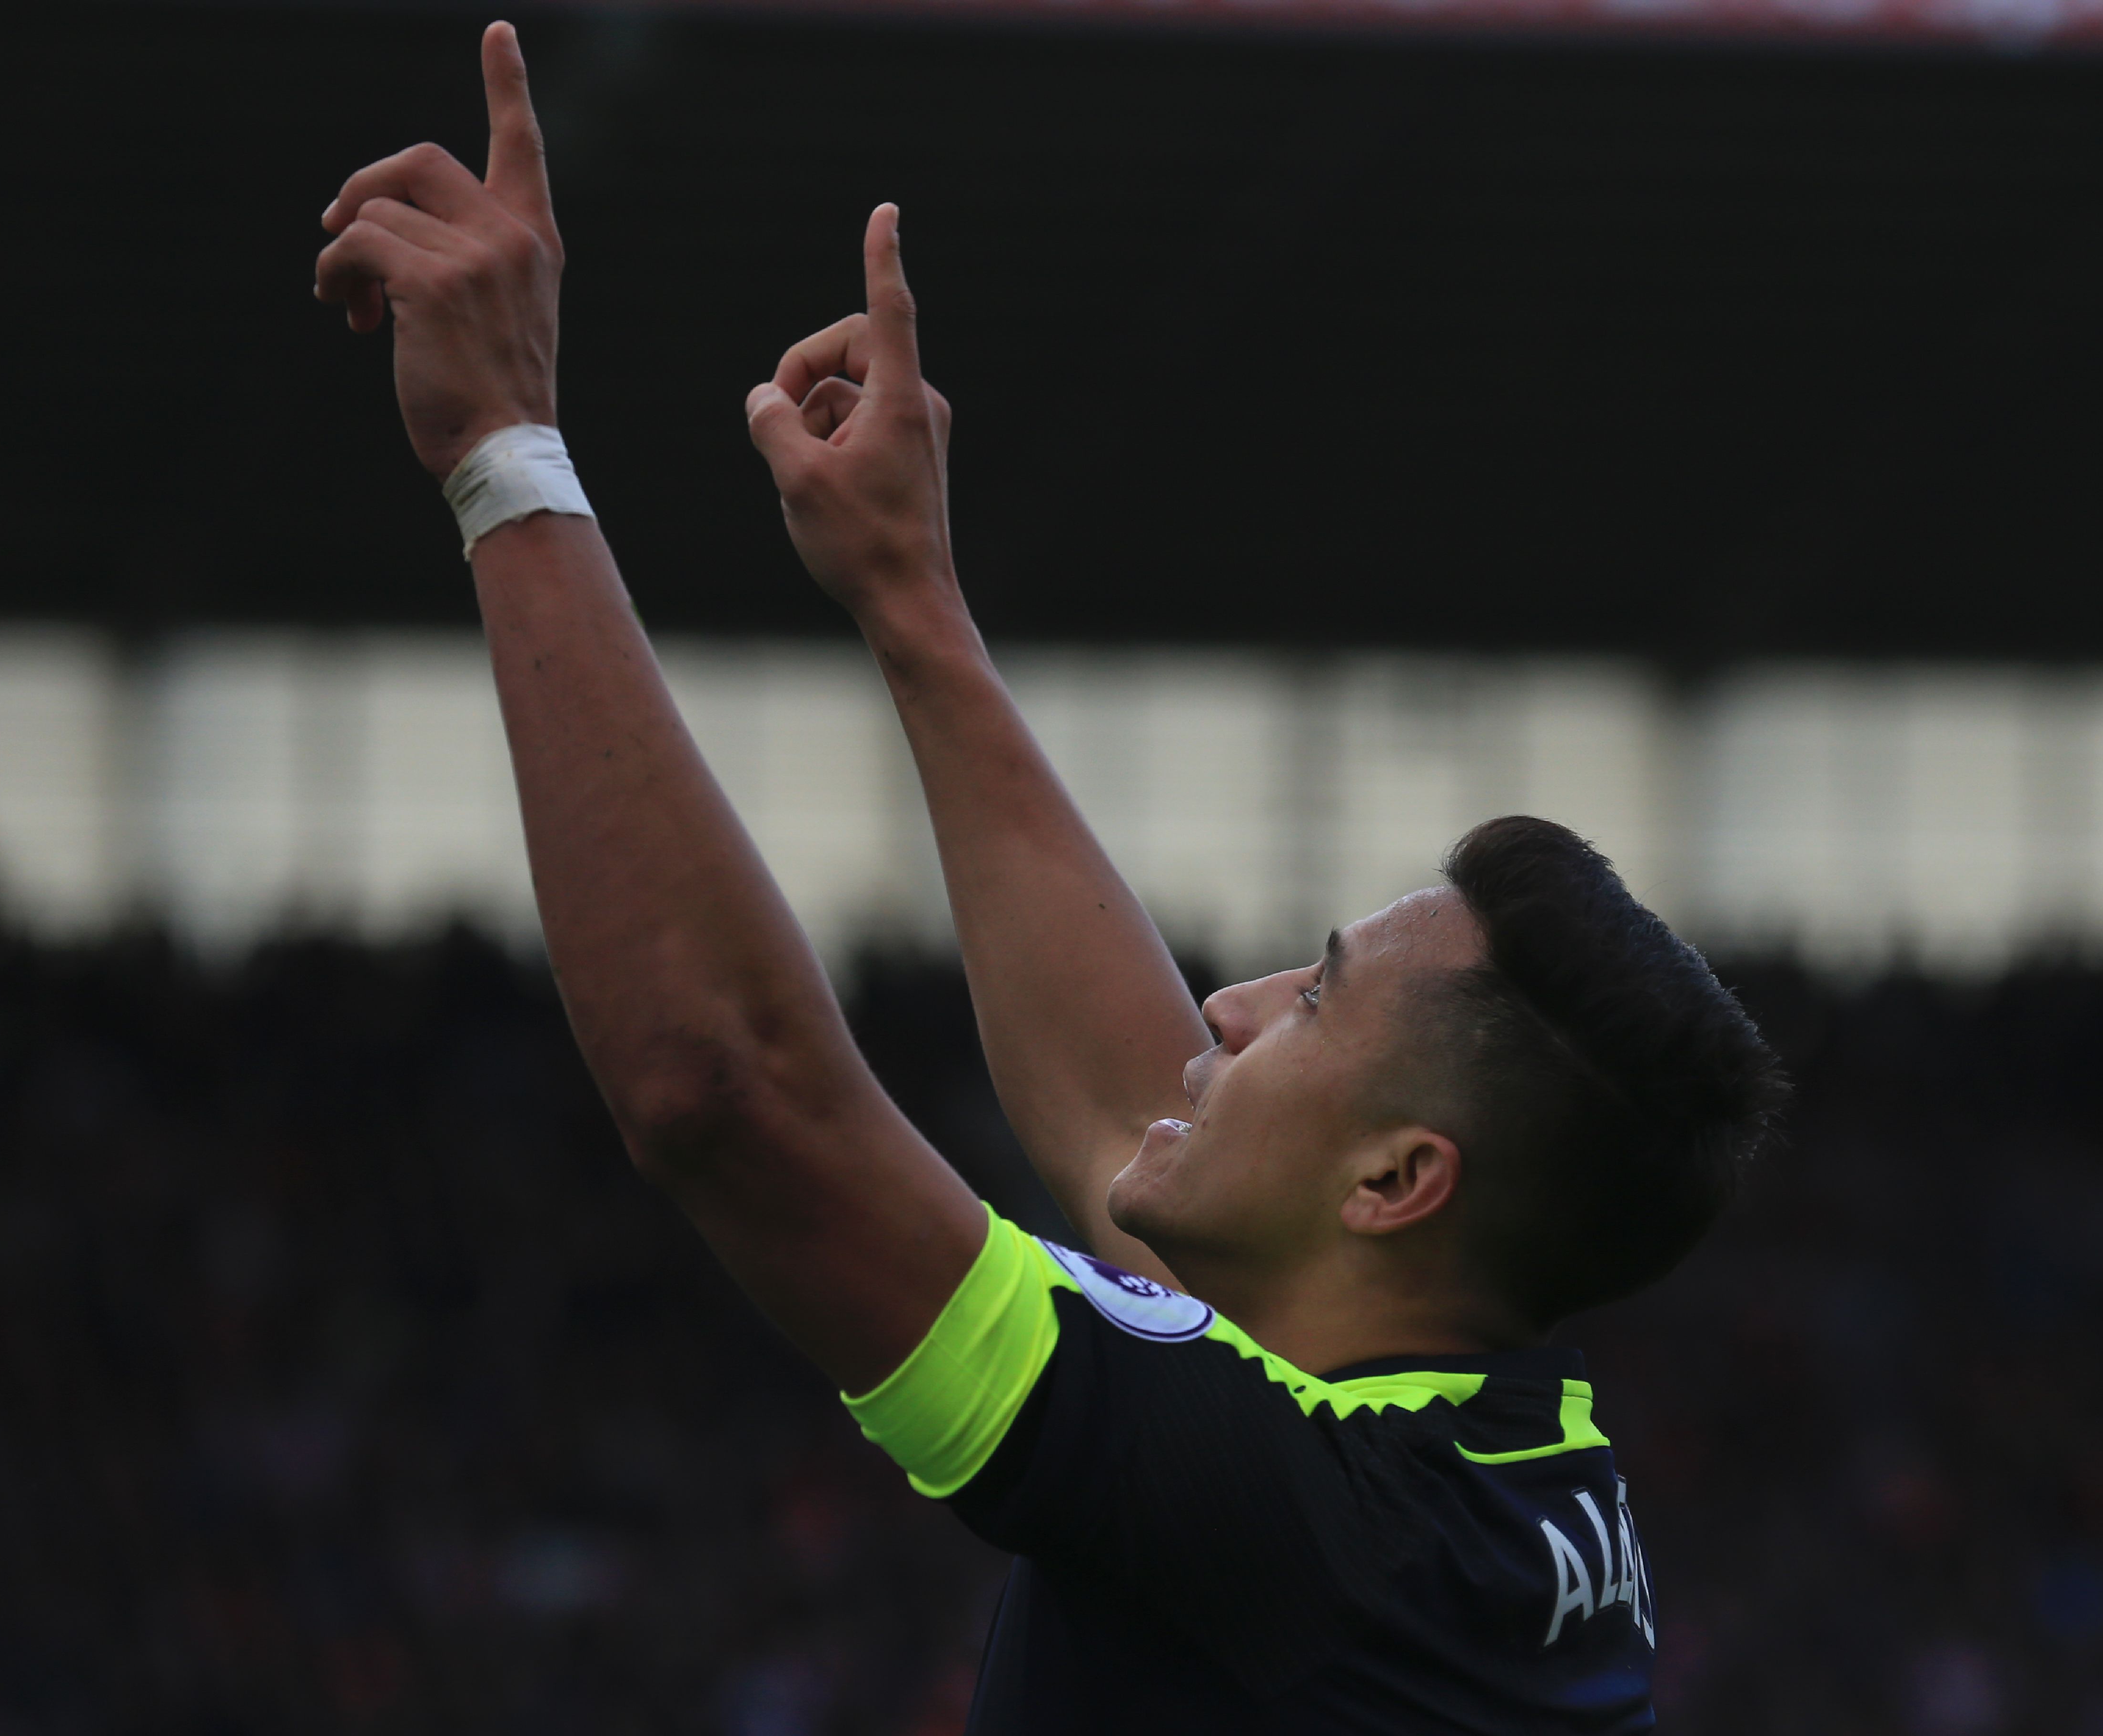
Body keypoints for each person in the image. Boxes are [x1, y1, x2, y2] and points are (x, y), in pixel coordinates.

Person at [312, 25, 1785, 1732]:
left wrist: (505, 450)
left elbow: (728, 1092)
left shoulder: (1304, 1518)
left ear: (1395, 1182)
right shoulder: (1494, 1451)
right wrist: (910, 603)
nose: (1226, 1009)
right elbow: (1114, 1119)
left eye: (1313, 998)